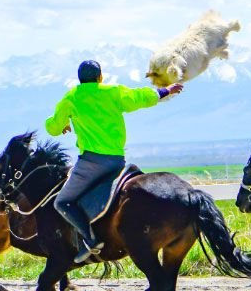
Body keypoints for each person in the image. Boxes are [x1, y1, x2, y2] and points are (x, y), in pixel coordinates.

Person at [45, 60, 184, 263]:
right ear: (100, 77)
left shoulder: (71, 98)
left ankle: (90, 239)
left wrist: (65, 122)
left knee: (62, 202)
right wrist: (165, 91)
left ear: (80, 79)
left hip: (90, 164)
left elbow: (52, 128)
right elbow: (139, 98)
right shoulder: (112, 91)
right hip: (118, 162)